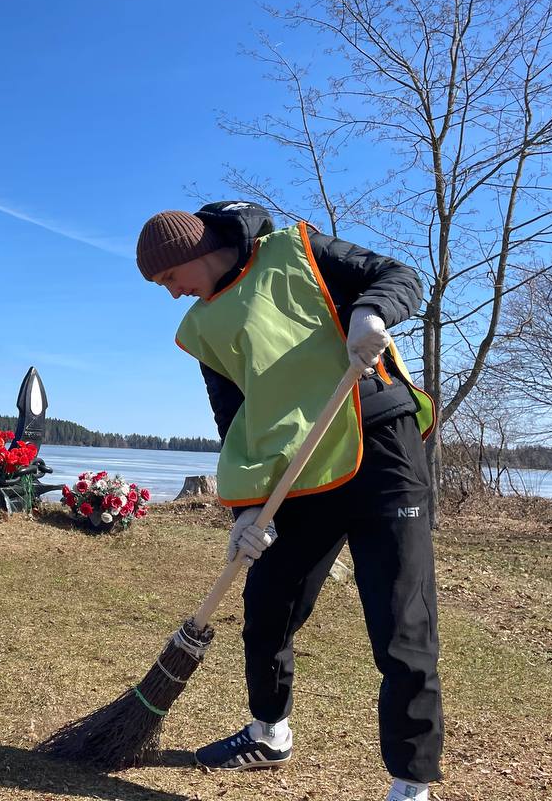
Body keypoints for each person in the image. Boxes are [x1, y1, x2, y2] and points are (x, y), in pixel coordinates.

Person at [136, 202, 441, 801]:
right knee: (269, 599)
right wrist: (246, 511)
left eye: (169, 279)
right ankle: (269, 732)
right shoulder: (202, 327)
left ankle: (410, 783)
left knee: (401, 621)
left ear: (190, 252)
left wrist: (371, 312)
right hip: (300, 470)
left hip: (381, 449)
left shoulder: (298, 249)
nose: (171, 294)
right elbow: (236, 419)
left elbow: (402, 276)